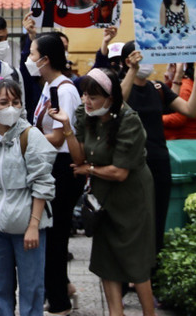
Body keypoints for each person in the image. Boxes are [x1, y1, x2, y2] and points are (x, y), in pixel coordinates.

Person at [52, 68, 157, 316]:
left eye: (93, 97)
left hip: (131, 198)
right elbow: (78, 158)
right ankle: (115, 312)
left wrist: (89, 169)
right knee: (106, 261)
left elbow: (120, 172)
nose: (86, 101)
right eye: (85, 95)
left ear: (110, 98)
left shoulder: (128, 120)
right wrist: (66, 126)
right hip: (103, 197)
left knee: (135, 262)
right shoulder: (86, 114)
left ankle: (149, 313)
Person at [121, 44, 196, 262]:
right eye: (139, 57)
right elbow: (117, 104)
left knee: (158, 217)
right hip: (133, 163)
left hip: (159, 161)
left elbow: (189, 110)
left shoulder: (158, 88)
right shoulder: (121, 85)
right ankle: (133, 268)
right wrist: (132, 70)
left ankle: (154, 268)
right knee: (135, 218)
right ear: (127, 61)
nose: (146, 63)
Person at [0, 79, 55, 316]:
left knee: (32, 289)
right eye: (3, 102)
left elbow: (43, 183)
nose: (10, 107)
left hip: (27, 227)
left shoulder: (31, 136)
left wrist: (34, 225)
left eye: (15, 102)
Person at [26, 33, 81, 316]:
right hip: (50, 164)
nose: (30, 59)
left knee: (56, 236)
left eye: (33, 54)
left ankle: (59, 302)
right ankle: (62, 288)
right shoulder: (49, 86)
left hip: (62, 167)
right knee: (52, 234)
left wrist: (26, 137)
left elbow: (59, 137)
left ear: (45, 59)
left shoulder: (65, 90)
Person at [162, 63, 196, 141]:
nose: (165, 72)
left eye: (170, 66)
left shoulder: (184, 87)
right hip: (187, 139)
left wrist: (153, 117)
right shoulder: (188, 84)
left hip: (181, 140)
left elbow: (178, 118)